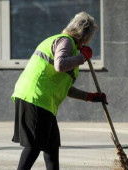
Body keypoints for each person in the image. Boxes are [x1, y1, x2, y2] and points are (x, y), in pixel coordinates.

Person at [11, 11, 108, 170]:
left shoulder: (72, 50)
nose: (90, 41)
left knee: (51, 147)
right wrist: (82, 57)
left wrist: (90, 97)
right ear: (84, 34)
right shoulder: (65, 42)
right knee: (34, 145)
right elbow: (60, 65)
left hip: (44, 101)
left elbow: (65, 88)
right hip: (35, 97)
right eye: (90, 36)